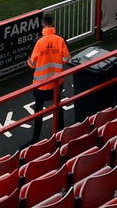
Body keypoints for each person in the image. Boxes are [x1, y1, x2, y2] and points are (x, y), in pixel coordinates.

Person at [26, 13, 69, 144]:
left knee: (38, 112)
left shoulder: (38, 42)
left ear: (43, 24)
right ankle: (60, 135)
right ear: (53, 22)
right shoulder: (60, 39)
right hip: (56, 83)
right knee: (58, 107)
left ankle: (35, 139)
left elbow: (32, 64)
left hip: (41, 85)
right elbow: (66, 59)